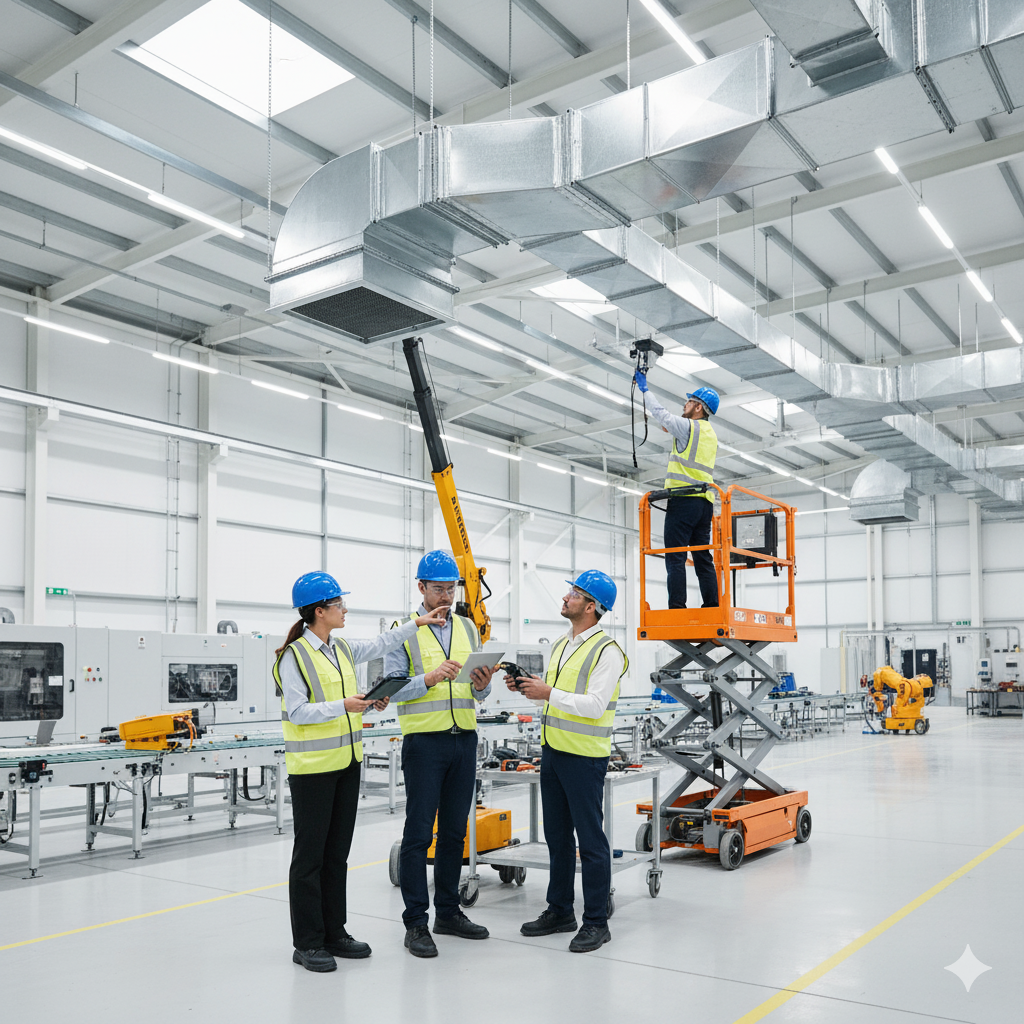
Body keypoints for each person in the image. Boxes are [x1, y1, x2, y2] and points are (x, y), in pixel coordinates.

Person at [273, 570, 448, 973]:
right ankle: (308, 942)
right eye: (338, 605)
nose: (344, 609)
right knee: (309, 859)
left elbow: (381, 643)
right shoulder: (293, 657)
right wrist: (346, 707)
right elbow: (298, 712)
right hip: (313, 771)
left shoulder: (340, 649)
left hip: (346, 765)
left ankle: (335, 932)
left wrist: (418, 624)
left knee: (337, 856)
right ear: (320, 611)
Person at [506, 570, 627, 954]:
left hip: (585, 757)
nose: (565, 599)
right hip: (555, 752)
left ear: (591, 607)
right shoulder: (562, 644)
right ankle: (559, 910)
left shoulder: (607, 651)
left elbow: (593, 705)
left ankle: (596, 922)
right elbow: (556, 696)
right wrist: (530, 688)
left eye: (574, 594)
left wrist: (548, 691)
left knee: (590, 842)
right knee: (557, 838)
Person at [384, 550, 498, 958]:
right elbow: (391, 686)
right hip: (425, 742)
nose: (446, 596)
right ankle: (416, 922)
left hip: (463, 738)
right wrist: (429, 678)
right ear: (421, 588)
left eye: (451, 588)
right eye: (438, 589)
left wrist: (483, 684)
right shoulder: (404, 630)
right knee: (418, 835)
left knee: (453, 832)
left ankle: (447, 912)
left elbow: (479, 692)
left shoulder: (468, 627)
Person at [634, 372, 720, 609]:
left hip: (683, 501)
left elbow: (663, 415)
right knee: (703, 557)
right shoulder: (710, 434)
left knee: (675, 556)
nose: (686, 403)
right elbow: (667, 425)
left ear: (699, 408)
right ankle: (712, 604)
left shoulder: (688, 427)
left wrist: (645, 390)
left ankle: (677, 607)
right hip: (705, 503)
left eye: (690, 401)